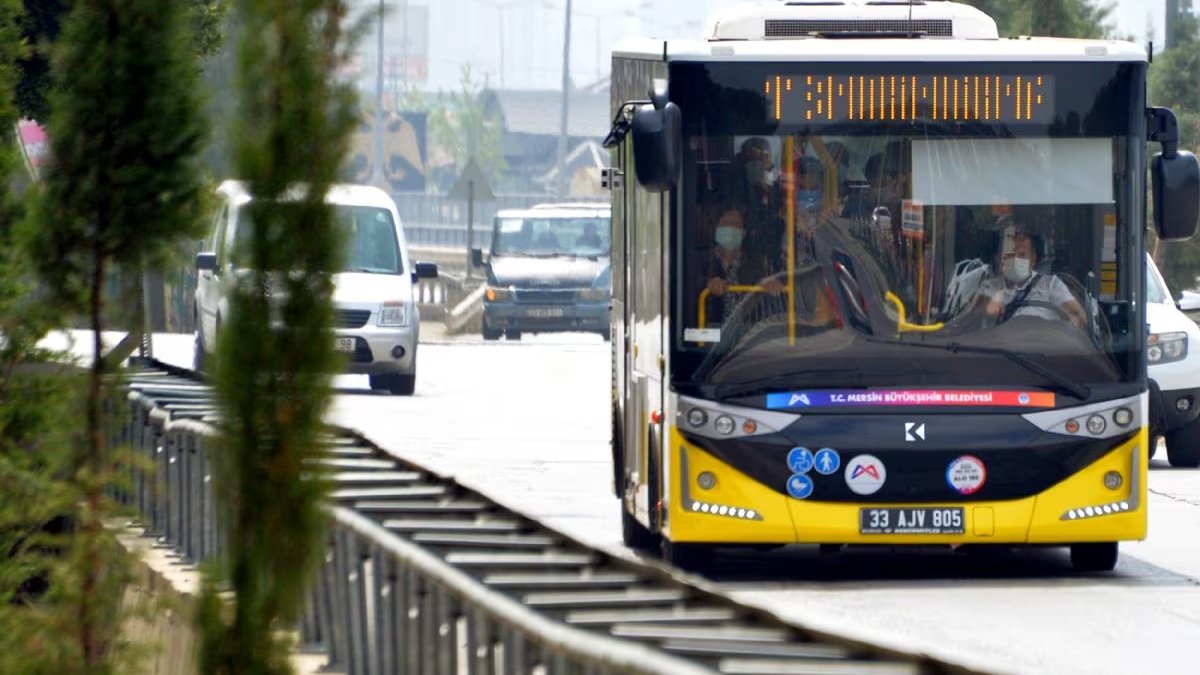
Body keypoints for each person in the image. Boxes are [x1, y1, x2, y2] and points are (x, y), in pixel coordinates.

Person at [979, 225, 1087, 328]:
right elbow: (974, 322)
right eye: (1011, 254)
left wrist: (1068, 326)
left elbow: (1079, 316)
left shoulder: (1051, 285)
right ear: (1001, 259)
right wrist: (989, 308)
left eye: (1022, 255)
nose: (1016, 259)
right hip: (997, 346)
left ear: (1033, 259)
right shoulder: (989, 287)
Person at [703, 208, 782, 325]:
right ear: (716, 228)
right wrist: (708, 286)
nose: (730, 227)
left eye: (735, 224)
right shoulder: (700, 262)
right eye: (725, 223)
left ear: (743, 233)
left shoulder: (755, 265)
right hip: (710, 335)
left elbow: (764, 284)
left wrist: (771, 285)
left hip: (746, 336)